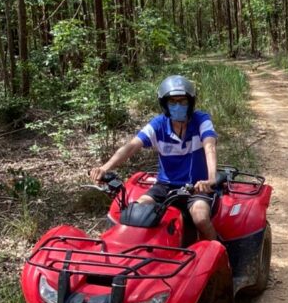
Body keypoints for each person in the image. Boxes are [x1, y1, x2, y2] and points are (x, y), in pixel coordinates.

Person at [89, 75, 218, 240]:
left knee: (200, 218)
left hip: (197, 186)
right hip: (165, 186)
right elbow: (131, 147)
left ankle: (221, 255)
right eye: (172, 102)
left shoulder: (201, 120)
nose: (178, 106)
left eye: (182, 101)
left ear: (190, 102)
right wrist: (104, 168)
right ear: (165, 104)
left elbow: (210, 146)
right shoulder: (158, 125)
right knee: (137, 211)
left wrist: (211, 179)